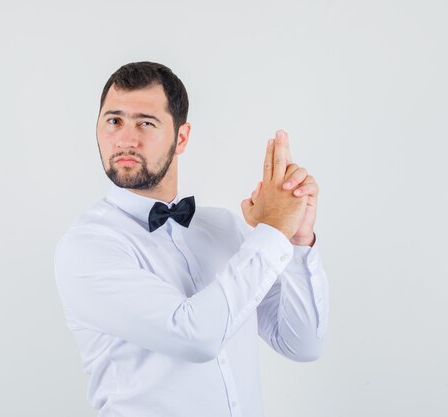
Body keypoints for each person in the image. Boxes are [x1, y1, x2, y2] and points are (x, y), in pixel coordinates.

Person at [54, 61, 329, 417]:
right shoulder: (86, 248)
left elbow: (302, 344)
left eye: (146, 123)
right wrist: (273, 231)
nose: (125, 138)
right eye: (114, 120)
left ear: (181, 137)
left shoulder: (224, 228)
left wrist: (296, 239)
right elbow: (195, 335)